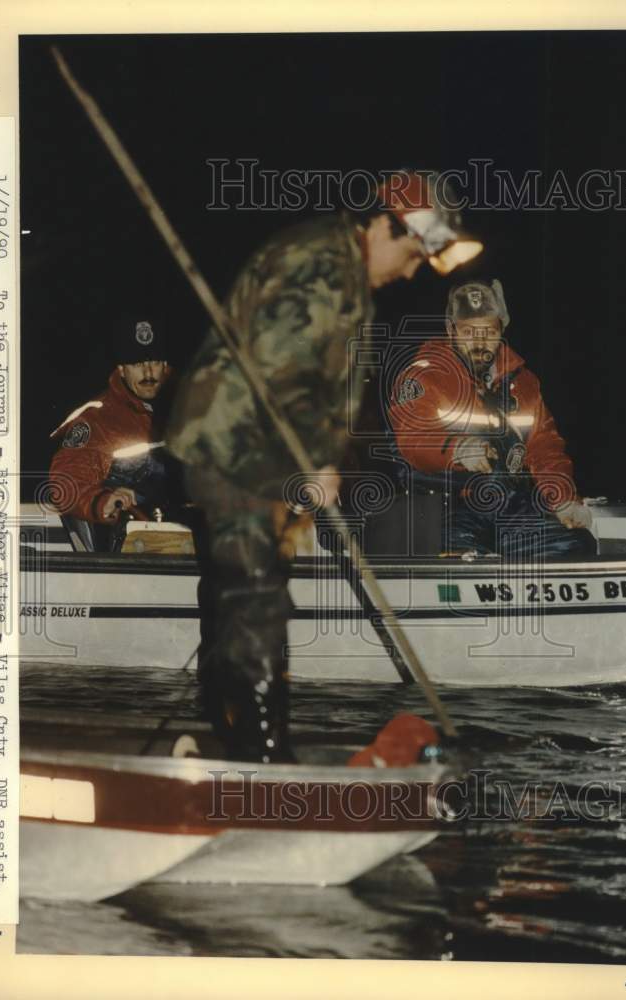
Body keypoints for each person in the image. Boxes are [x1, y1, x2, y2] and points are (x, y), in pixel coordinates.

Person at [165, 171, 482, 763]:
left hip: (253, 455)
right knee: (255, 597)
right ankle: (263, 762)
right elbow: (286, 370)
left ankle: (232, 743)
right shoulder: (323, 264)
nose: (412, 271)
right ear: (388, 224)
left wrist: (318, 464)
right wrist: (312, 463)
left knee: (247, 596)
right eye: (414, 254)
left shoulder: (341, 268)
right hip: (234, 448)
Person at [389, 278, 596, 558]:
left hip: (509, 506)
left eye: (488, 331)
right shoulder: (423, 376)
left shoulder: (524, 384)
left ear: (502, 329)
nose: (479, 341)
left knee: (576, 547)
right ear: (450, 330)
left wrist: (562, 498)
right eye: (469, 332)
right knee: (462, 567)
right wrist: (456, 449)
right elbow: (411, 438)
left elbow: (544, 447)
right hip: (447, 510)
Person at [49, 316, 176, 551]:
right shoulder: (98, 420)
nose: (148, 372)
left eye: (155, 362)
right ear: (121, 368)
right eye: (137, 363)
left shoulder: (191, 408)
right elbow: (65, 483)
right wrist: (102, 501)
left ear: (165, 365)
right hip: (130, 552)